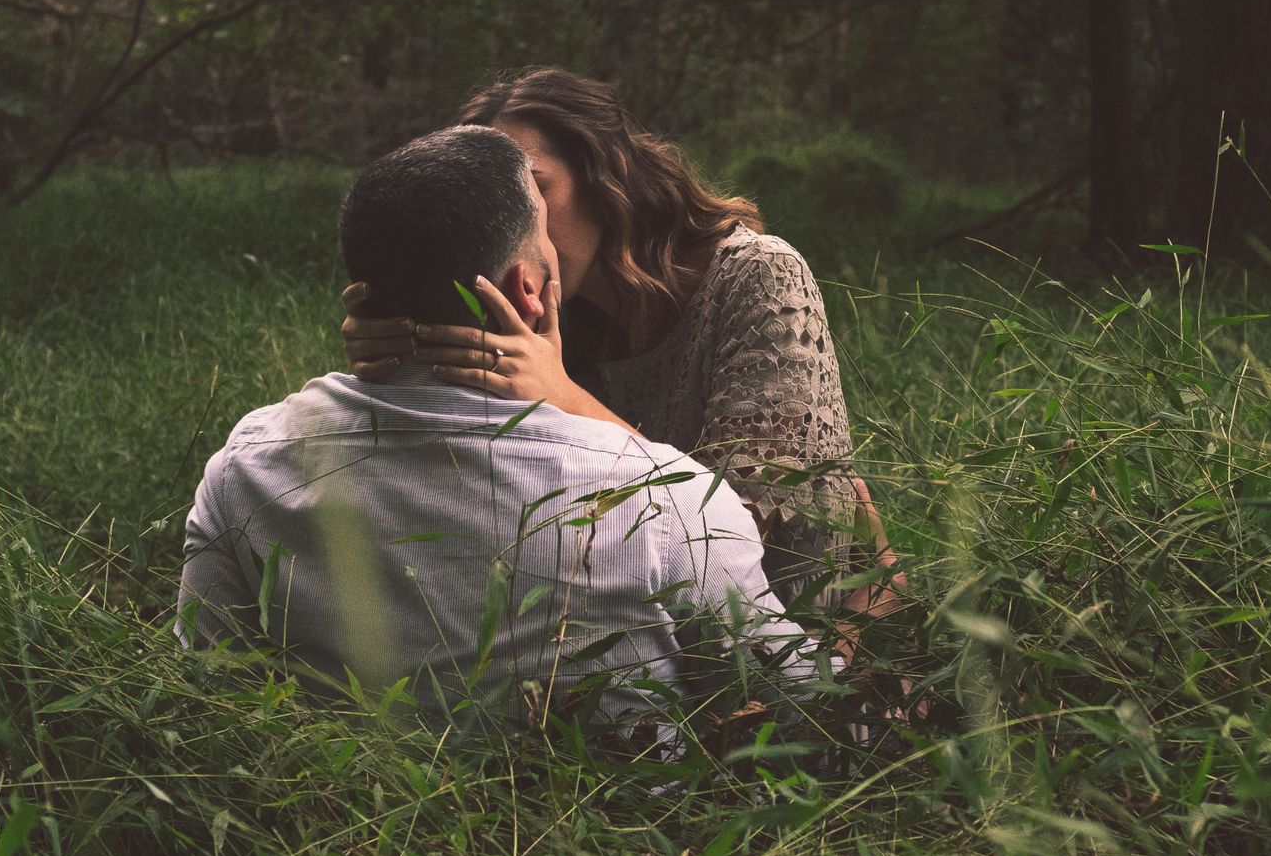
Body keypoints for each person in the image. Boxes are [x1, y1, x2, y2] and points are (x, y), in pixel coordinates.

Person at [180, 125, 832, 742]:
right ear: (527, 291)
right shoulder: (669, 505)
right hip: (627, 849)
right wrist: (869, 624)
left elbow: (209, 700)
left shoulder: (245, 469)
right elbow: (813, 722)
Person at [341, 67, 896, 614]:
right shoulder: (536, 310)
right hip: (630, 638)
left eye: (533, 190)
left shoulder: (757, 278)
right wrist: (396, 353)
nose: (512, 225)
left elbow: (762, 543)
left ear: (607, 173)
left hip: (805, 649)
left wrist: (562, 397)